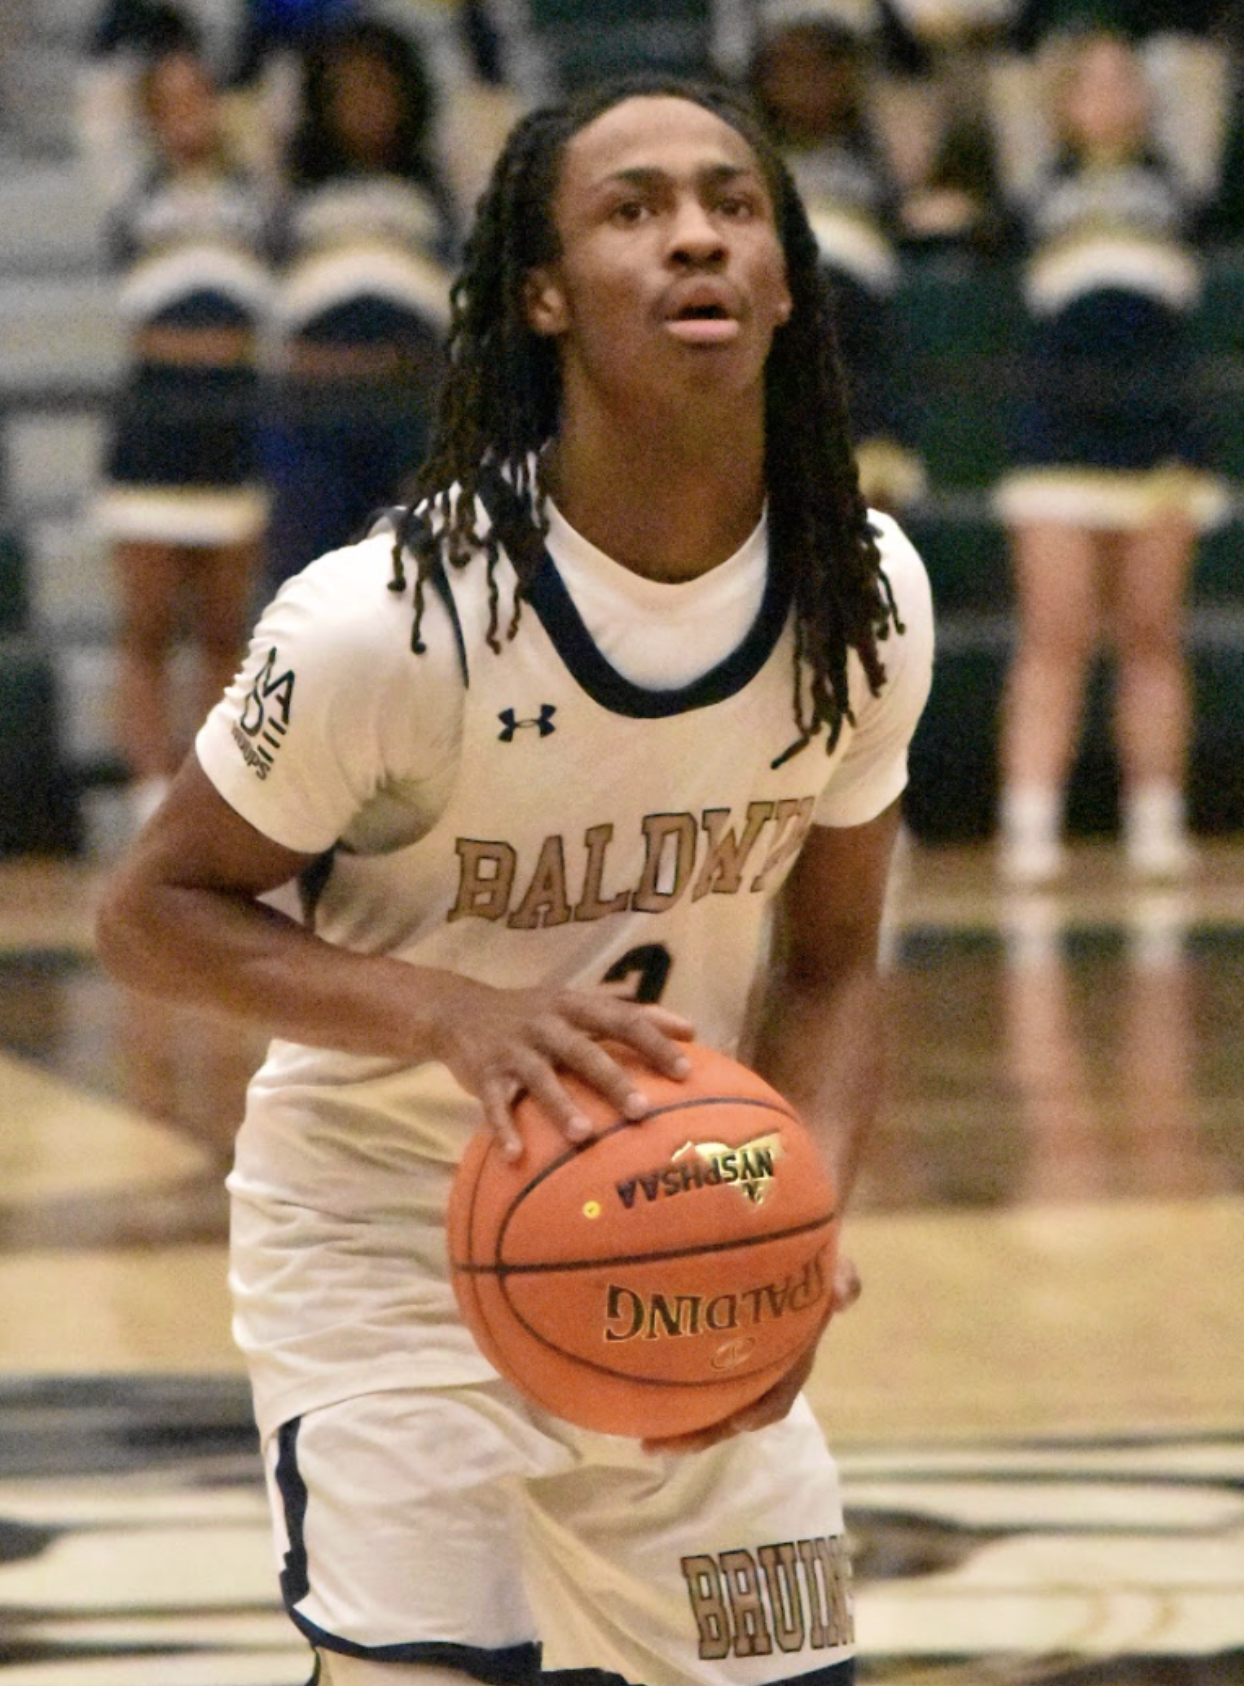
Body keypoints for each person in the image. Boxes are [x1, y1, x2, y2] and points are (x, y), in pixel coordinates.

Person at [95, 73, 934, 1686]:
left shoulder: (862, 595)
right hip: (389, 1252)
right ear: (541, 294)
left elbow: (832, 964)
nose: (694, 235)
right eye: (633, 208)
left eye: (732, 204)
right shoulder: (387, 619)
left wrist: (793, 1222)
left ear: (783, 279)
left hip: (675, 1232)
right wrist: (452, 1016)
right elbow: (148, 912)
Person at [993, 27, 1227, 884]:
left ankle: (1156, 818)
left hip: (1158, 424)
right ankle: (1029, 822)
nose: (1108, 95)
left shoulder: (1180, 180)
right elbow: (1008, 63)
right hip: (1059, 425)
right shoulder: (1036, 182)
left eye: (1125, 79)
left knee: (1152, 635)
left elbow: (1203, 54)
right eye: (1087, 82)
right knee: (1052, 638)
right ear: (1058, 102)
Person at [93, 30, 273, 827]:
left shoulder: (257, 188)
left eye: (198, 96)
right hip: (154, 414)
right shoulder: (131, 189)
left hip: (232, 415)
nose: (186, 113)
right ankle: (148, 795)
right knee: (147, 625)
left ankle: (210, 791)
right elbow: (99, 99)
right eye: (167, 102)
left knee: (225, 627)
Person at [261, 16, 455, 593]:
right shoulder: (287, 189)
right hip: (317, 404)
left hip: (413, 401)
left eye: (379, 88)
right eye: (347, 91)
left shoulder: (438, 186)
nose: (365, 105)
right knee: (312, 583)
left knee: (419, 581)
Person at [748, 7, 926, 513]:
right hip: (775, 325)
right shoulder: (746, 156)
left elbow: (916, 87)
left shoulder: (882, 154)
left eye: (824, 69)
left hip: (859, 330)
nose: (807, 84)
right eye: (791, 69)